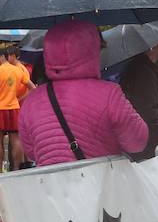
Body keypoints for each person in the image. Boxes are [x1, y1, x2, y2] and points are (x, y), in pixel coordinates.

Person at [19, 20, 148, 166]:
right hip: (99, 185)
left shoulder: (32, 100)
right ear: (91, 51)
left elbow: (31, 151)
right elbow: (137, 142)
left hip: (51, 186)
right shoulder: (109, 94)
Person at [118, 41, 158, 160]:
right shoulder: (143, 72)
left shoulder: (146, 69)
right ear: (154, 47)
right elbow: (147, 111)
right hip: (149, 150)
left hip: (149, 145)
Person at [0, 45, 34, 171]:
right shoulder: (17, 70)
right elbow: (32, 87)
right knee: (16, 140)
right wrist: (18, 99)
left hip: (0, 109)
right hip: (14, 108)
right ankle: (16, 169)